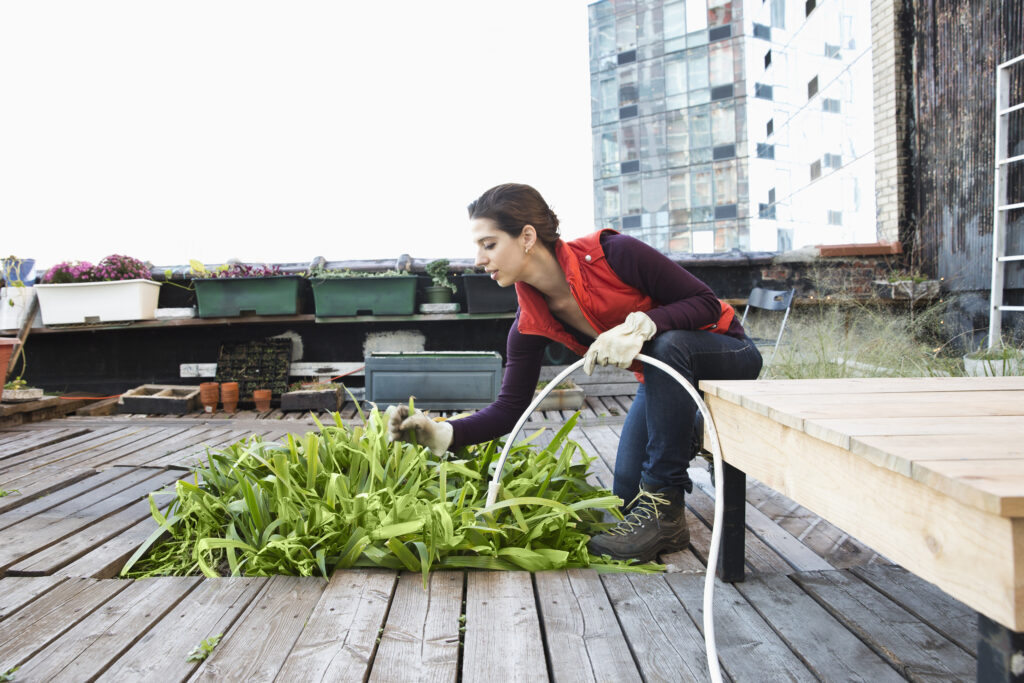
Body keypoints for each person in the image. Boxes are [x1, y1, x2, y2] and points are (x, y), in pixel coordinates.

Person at [387, 183, 762, 562]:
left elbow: (706, 304)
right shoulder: (529, 323)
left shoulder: (613, 254)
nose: (479, 260)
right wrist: (444, 432)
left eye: (489, 244)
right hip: (661, 381)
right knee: (626, 500)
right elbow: (509, 408)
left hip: (727, 352)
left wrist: (644, 325)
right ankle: (689, 429)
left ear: (527, 237)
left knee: (667, 349)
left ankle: (667, 510)